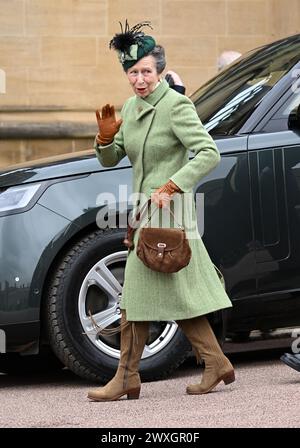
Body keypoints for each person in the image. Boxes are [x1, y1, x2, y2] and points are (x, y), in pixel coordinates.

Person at [88, 20, 235, 402]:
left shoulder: (176, 105)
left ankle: (127, 377)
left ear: (160, 71)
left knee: (141, 295)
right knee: (169, 297)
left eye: (146, 72)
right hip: (144, 216)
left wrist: (173, 185)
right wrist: (104, 138)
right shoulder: (132, 107)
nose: (139, 80)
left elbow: (209, 153)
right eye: (132, 73)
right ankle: (213, 362)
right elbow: (111, 158)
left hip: (170, 215)